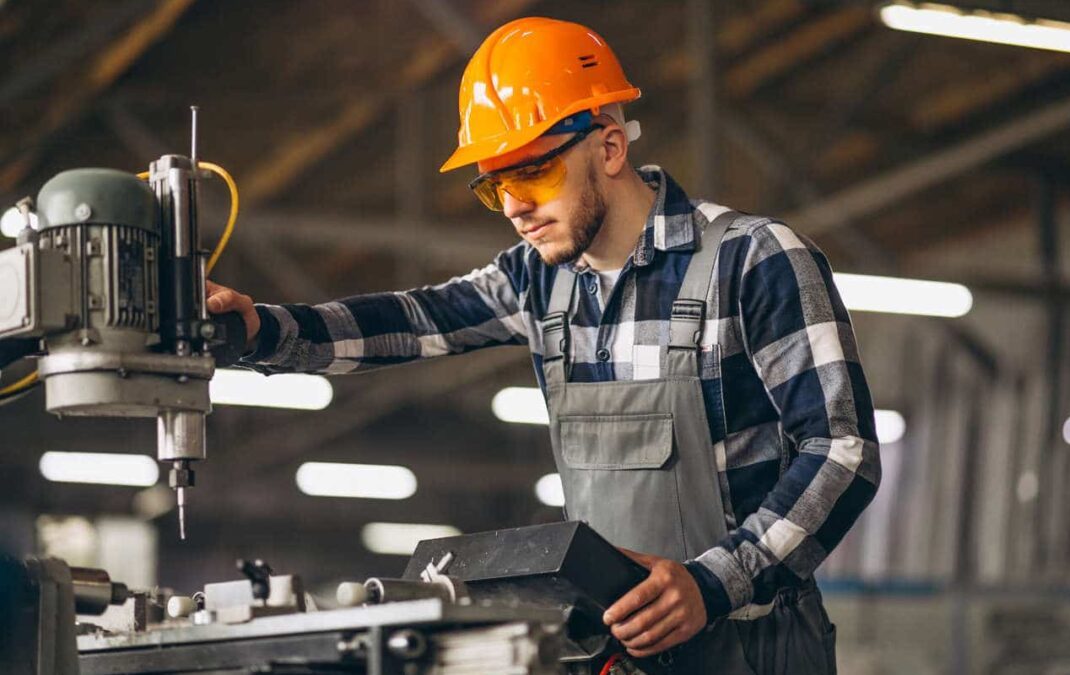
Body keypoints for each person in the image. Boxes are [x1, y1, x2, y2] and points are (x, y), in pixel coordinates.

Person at [207, 17, 879, 674]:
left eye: (531, 174)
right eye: (494, 186)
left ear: (609, 148)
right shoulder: (537, 280)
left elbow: (842, 450)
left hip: (752, 647)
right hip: (609, 654)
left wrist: (713, 581)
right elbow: (413, 319)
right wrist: (265, 332)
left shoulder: (753, 259)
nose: (512, 207)